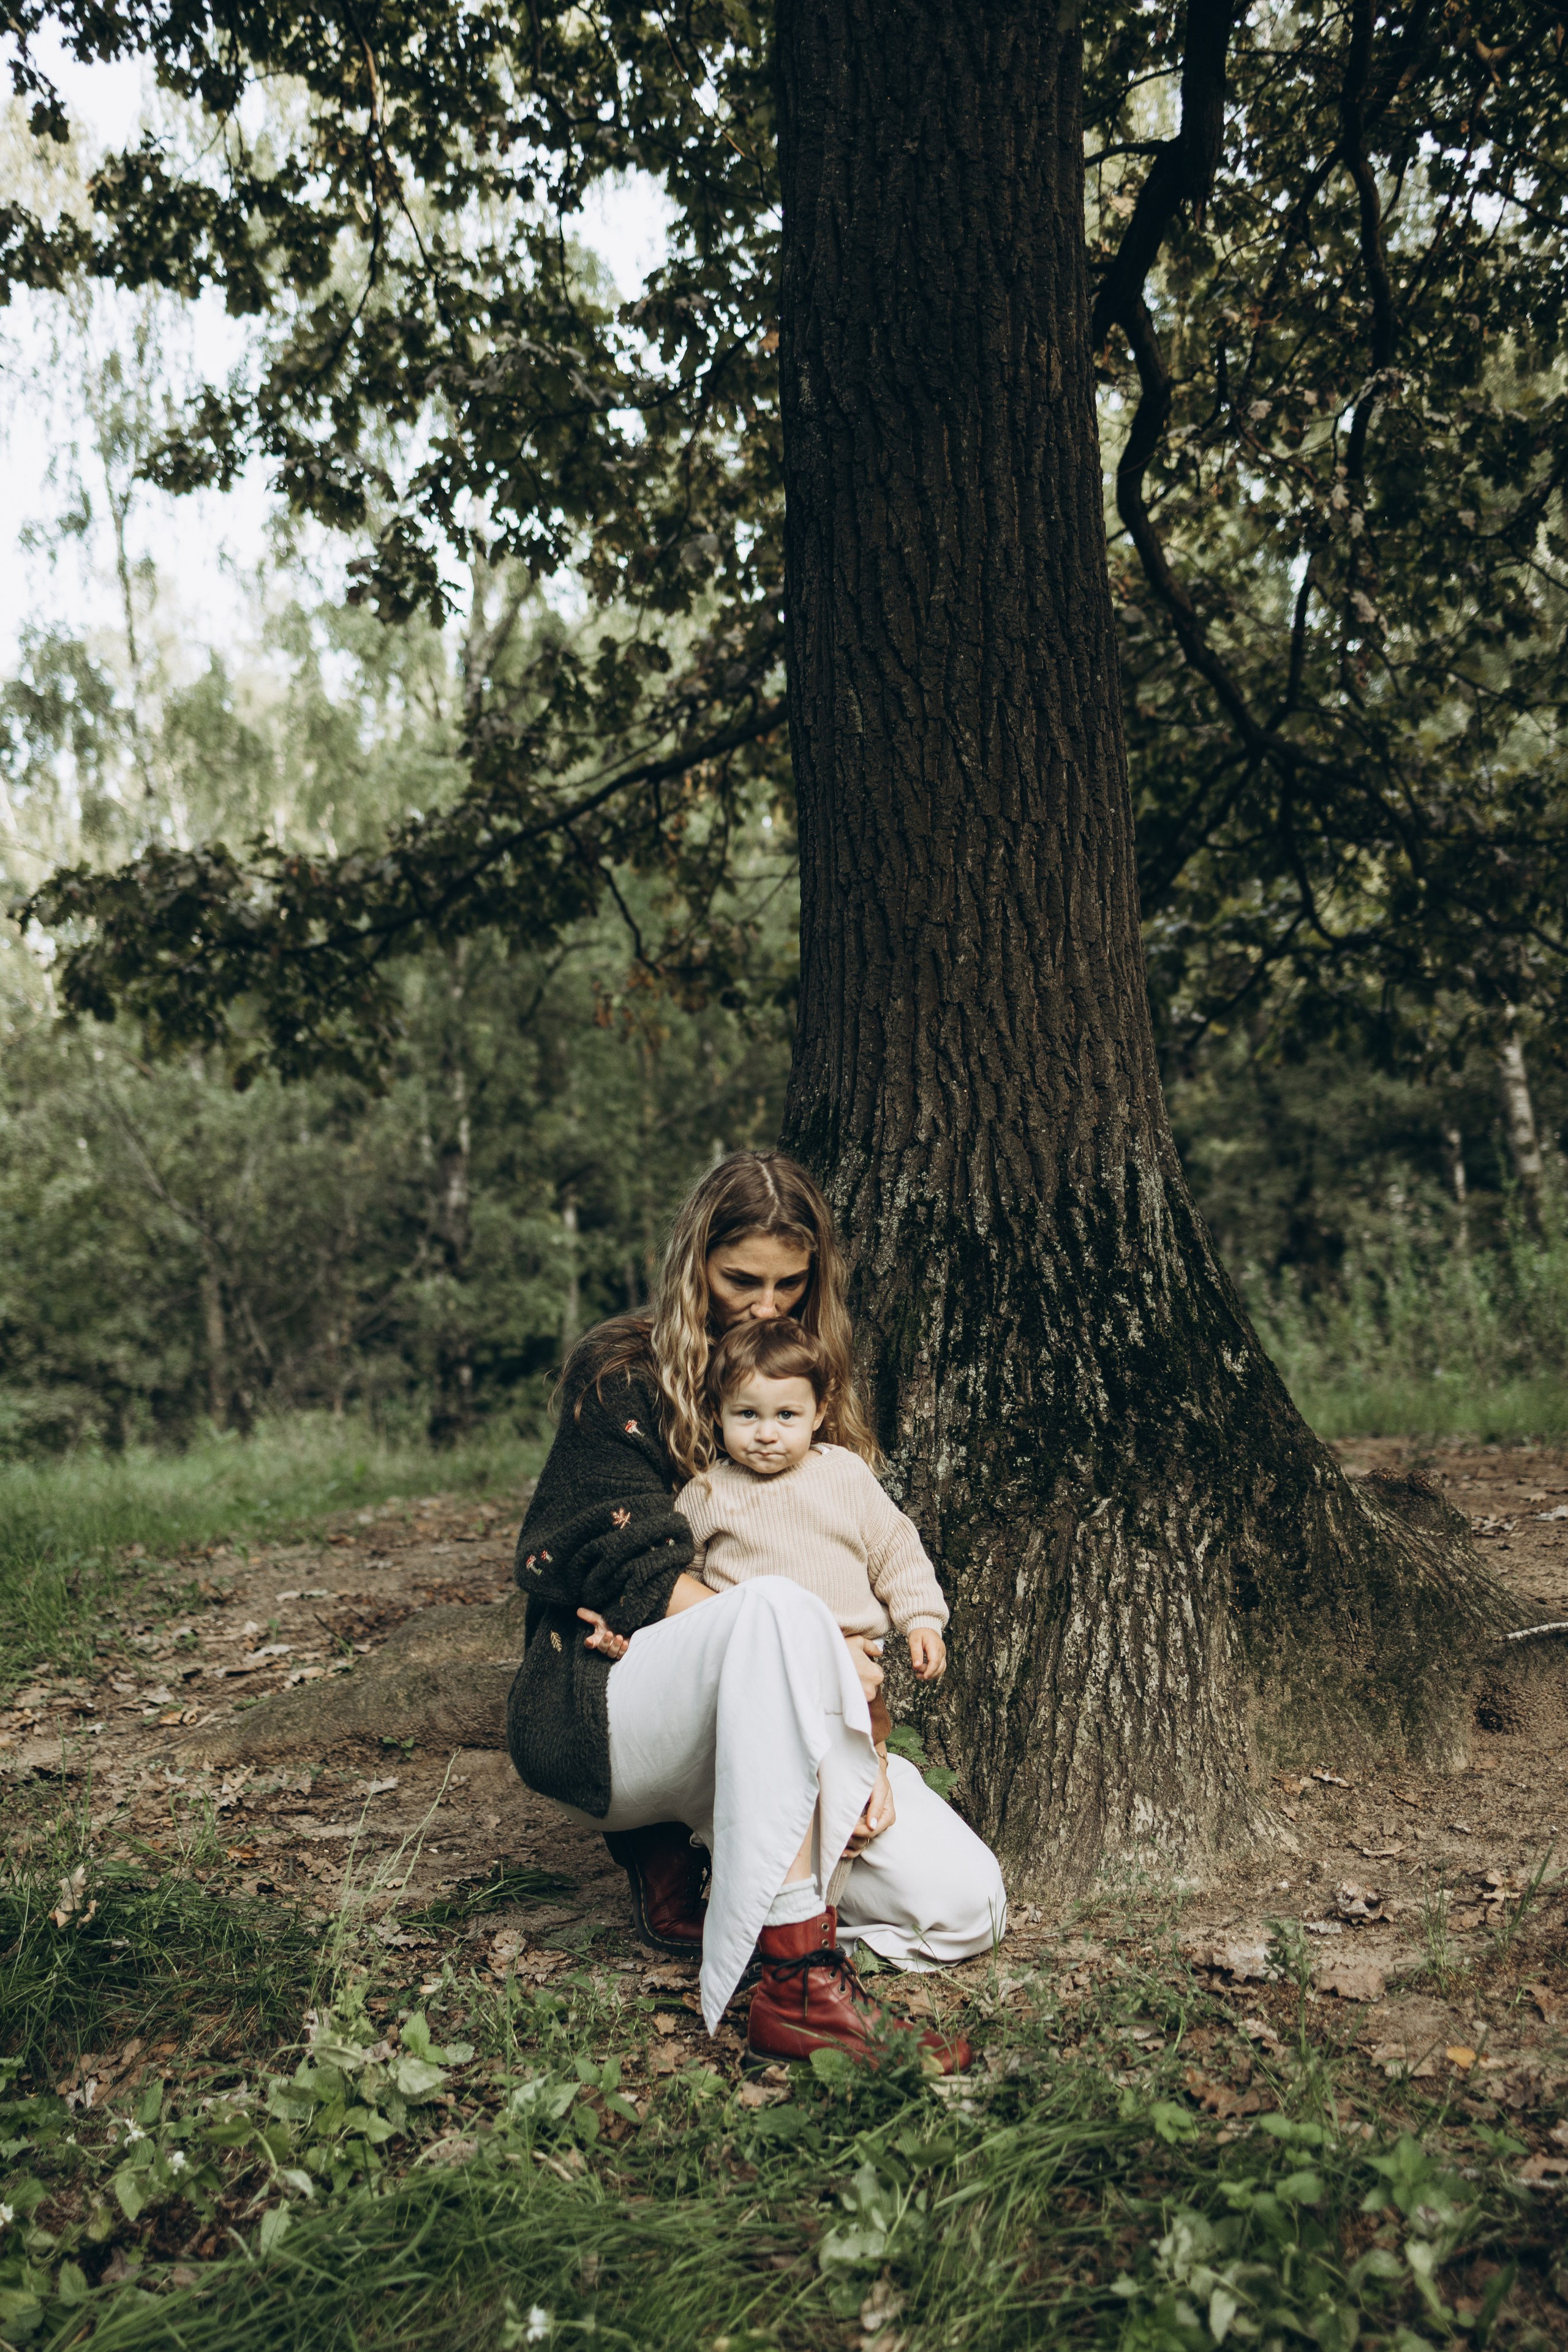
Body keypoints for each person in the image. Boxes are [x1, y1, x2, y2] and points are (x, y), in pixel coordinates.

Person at [505, 1150, 1006, 2065]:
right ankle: (798, 1983)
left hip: (790, 1717)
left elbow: (855, 1564)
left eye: (789, 1284)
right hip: (617, 1703)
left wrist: (863, 1748)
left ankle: (746, 1891)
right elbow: (610, 1554)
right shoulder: (621, 1370)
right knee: (778, 1608)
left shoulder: (802, 1374)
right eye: (741, 1280)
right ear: (695, 1262)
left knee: (965, 1905)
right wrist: (814, 1650)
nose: (767, 1307)